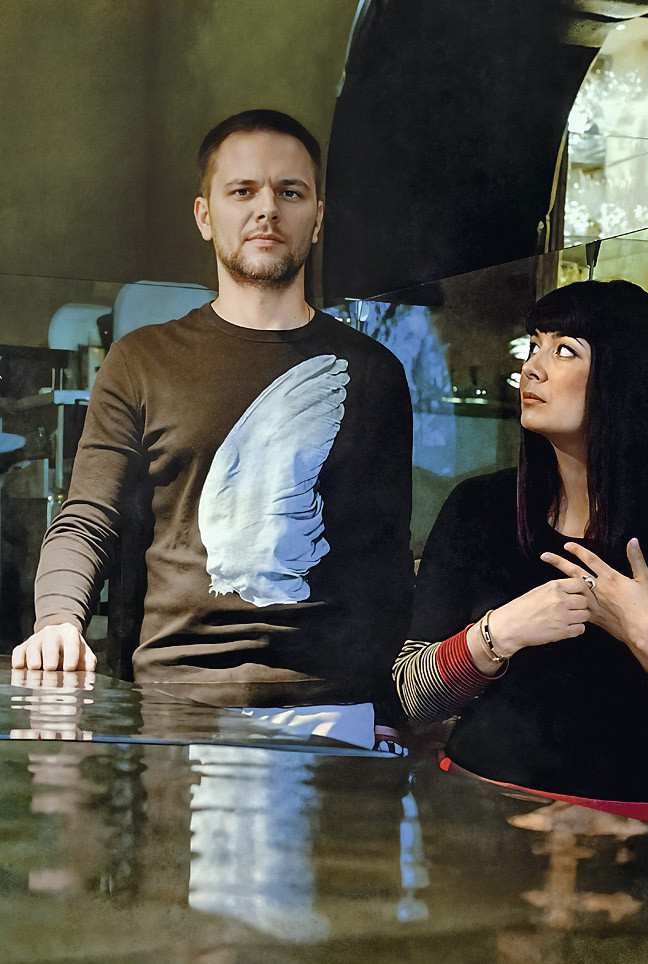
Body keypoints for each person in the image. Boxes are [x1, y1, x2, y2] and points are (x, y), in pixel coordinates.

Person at [13, 110, 413, 720]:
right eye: (242, 191)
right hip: (174, 700)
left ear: (317, 218)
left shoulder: (375, 372)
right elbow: (88, 518)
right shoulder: (140, 361)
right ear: (205, 216)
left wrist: (388, 710)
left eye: (290, 192)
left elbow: (384, 560)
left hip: (332, 709)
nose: (267, 209)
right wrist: (58, 620)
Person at [394, 280, 648, 815]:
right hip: (483, 813)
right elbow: (409, 696)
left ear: (624, 375)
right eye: (534, 344)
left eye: (564, 350)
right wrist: (499, 633)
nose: (531, 369)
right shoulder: (479, 506)